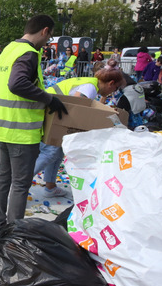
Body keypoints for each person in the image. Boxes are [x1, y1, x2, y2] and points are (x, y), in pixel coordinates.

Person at [0, 14, 67, 236]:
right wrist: (49, 99)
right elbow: (17, 83)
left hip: (2, 127)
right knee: (21, 185)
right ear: (44, 30)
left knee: (3, 178)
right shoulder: (29, 53)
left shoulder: (9, 49)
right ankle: (14, 234)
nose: (48, 40)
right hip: (21, 131)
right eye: (49, 35)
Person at [34, 69, 127, 199]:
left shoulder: (90, 83)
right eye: (115, 88)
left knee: (57, 151)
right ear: (111, 83)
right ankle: (19, 182)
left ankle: (50, 187)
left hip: (51, 112)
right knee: (50, 153)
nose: (113, 92)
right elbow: (76, 106)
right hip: (51, 113)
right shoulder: (90, 87)